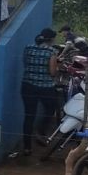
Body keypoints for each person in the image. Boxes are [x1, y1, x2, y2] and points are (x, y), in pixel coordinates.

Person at [19, 28, 60, 157]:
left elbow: (25, 63)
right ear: (51, 39)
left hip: (27, 85)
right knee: (51, 109)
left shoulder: (28, 47)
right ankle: (41, 130)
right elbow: (52, 72)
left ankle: (27, 148)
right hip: (45, 87)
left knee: (29, 116)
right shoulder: (51, 51)